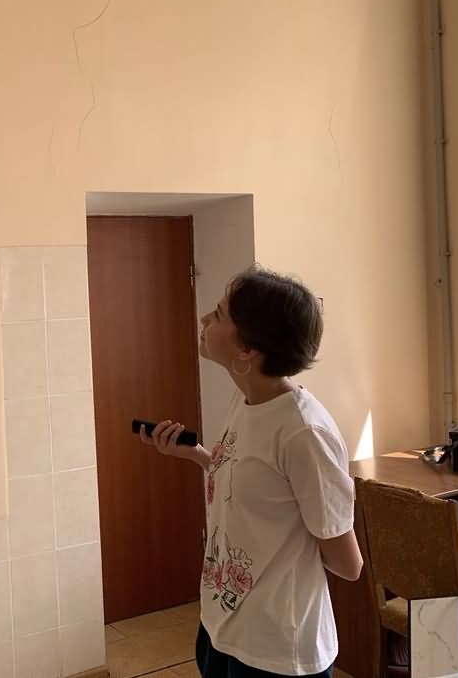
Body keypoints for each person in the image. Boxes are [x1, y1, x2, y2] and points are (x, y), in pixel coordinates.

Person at [143, 266, 362, 678]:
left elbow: (347, 563)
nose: (204, 319)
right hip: (222, 624)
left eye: (218, 315)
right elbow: (257, 487)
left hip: (278, 648)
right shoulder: (247, 400)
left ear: (248, 350)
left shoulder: (305, 433)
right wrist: (199, 457)